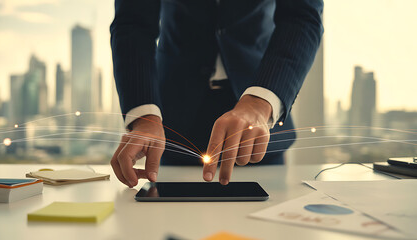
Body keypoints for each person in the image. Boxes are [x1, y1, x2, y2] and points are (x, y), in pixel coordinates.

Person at [110, 0, 323, 188]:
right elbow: (132, 22)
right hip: (172, 127)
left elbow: (302, 16)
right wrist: (144, 116)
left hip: (259, 126)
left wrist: (260, 102)